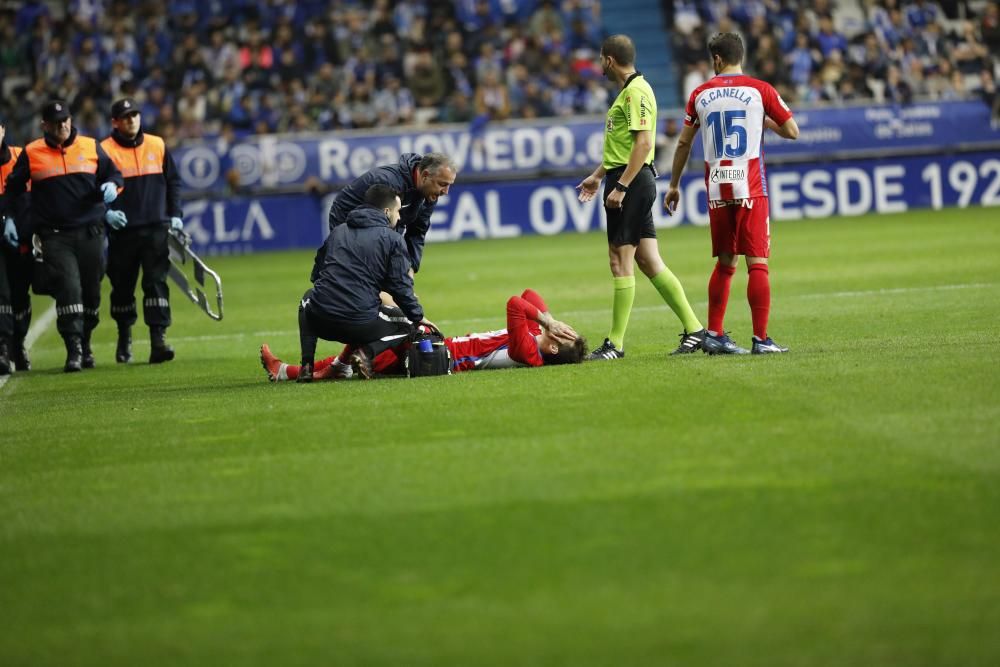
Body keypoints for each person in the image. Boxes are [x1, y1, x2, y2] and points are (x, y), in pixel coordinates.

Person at [663, 32, 800, 355]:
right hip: (751, 185)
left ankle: (714, 333)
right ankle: (762, 339)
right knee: (757, 263)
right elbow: (792, 131)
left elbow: (683, 142)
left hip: (717, 186)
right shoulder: (760, 90)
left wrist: (673, 185)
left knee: (726, 262)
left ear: (716, 60)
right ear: (741, 56)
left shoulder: (699, 93)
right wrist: (762, 122)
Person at [576, 34, 706, 360]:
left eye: (600, 60)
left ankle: (615, 344)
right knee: (648, 260)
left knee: (620, 261)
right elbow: (622, 147)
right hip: (630, 177)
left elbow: (644, 145)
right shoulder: (631, 92)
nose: (599, 66)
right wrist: (598, 175)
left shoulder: (635, 92)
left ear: (609, 60)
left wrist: (620, 186)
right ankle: (695, 330)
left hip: (631, 182)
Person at [0, 100, 123, 372]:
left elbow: (114, 174)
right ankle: (74, 348)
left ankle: (86, 340)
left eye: (66, 119)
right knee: (70, 288)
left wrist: (113, 186)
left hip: (90, 231)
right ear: (44, 125)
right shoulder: (32, 153)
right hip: (55, 236)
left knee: (91, 292)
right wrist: (7, 218)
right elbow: (12, 189)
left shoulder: (91, 147)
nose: (63, 125)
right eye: (56, 122)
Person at [260, 289, 585, 382]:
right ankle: (330, 367)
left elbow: (516, 303)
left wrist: (545, 320)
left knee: (387, 314)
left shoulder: (528, 351)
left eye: (563, 333)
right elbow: (531, 293)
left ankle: (293, 371)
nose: (560, 327)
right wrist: (550, 320)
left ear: (554, 347)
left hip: (438, 360)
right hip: (440, 345)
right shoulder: (535, 333)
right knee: (388, 314)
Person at [298, 184, 438, 382]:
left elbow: (317, 274)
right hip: (360, 325)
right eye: (398, 211)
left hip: (321, 321)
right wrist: (419, 316)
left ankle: (306, 366)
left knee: (307, 299)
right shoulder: (393, 239)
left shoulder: (338, 232)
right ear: (387, 211)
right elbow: (401, 288)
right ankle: (365, 354)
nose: (399, 218)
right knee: (409, 323)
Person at [100, 97, 184, 364]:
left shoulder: (157, 144)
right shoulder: (103, 150)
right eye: (125, 117)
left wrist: (176, 215)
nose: (132, 120)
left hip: (156, 227)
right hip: (122, 231)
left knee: (156, 283)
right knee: (122, 287)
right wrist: (106, 214)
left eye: (134, 115)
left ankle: (158, 341)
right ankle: (124, 335)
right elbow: (91, 190)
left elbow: (173, 182)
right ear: (115, 122)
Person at [310, 152, 456, 283]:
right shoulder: (387, 183)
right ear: (424, 175)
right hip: (349, 223)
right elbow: (379, 232)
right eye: (443, 184)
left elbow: (417, 231)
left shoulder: (429, 193)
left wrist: (410, 267)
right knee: (365, 281)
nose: (446, 191)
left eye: (449, 185)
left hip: (381, 228)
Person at [0, 120, 33, 374]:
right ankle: (2, 346)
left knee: (20, 295)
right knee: (2, 294)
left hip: (20, 236)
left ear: (2, 130)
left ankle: (18, 343)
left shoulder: (21, 156)